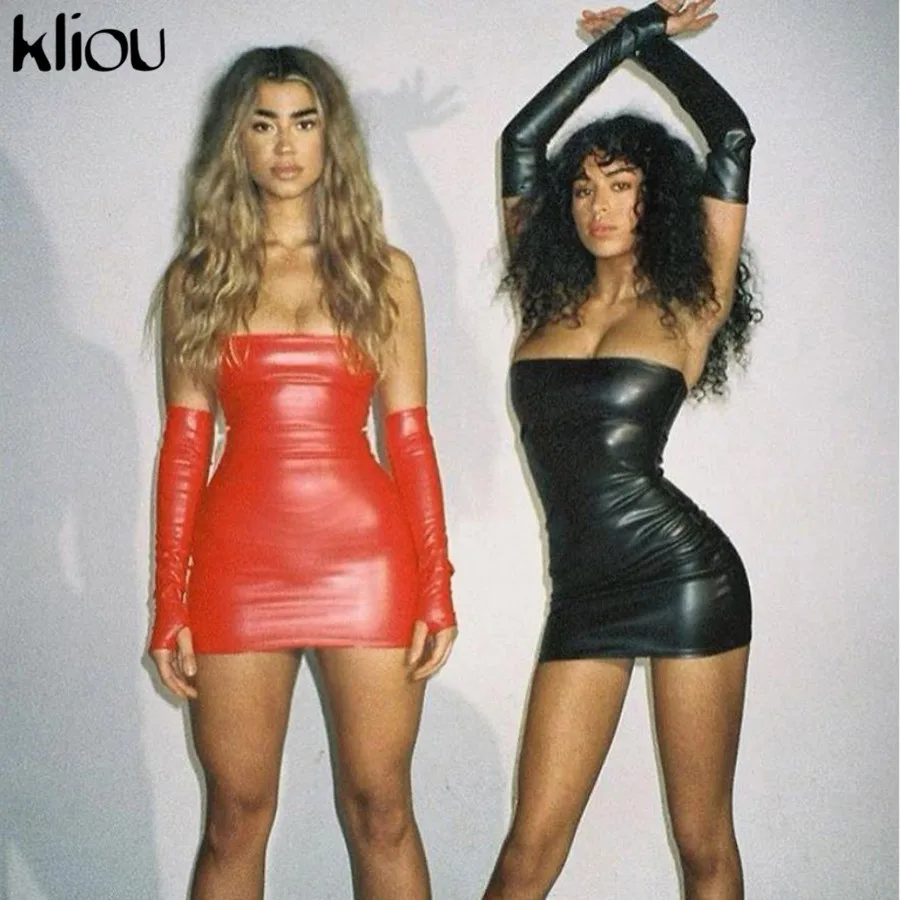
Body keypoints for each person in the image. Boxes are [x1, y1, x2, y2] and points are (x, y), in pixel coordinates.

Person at [146, 46, 457, 900]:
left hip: (366, 562)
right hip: (238, 564)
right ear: (237, 142)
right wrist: (169, 598)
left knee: (382, 812)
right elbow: (184, 446)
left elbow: (410, 436)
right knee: (235, 819)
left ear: (331, 138)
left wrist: (436, 582)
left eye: (304, 122)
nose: (285, 145)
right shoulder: (197, 278)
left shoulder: (384, 271)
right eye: (264, 123)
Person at [484, 2, 760, 898]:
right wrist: (622, 39)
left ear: (656, 199)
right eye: (583, 188)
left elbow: (730, 136)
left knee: (702, 842)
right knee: (529, 849)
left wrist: (650, 40)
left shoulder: (691, 300)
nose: (598, 205)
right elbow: (522, 139)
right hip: (584, 594)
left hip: (683, 580)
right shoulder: (545, 295)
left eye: (622, 184)